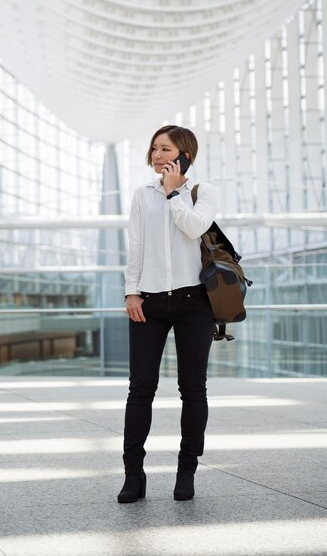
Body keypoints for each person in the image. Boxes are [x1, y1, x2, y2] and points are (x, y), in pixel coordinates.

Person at [117, 125, 217, 503]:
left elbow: (193, 227)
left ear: (184, 154)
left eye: (166, 149)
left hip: (195, 302)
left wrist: (175, 193)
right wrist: (132, 292)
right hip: (150, 303)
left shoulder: (202, 192)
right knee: (140, 388)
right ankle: (133, 474)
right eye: (154, 148)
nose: (157, 155)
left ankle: (186, 471)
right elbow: (136, 247)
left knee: (192, 388)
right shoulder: (142, 196)